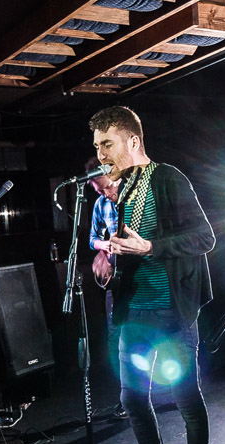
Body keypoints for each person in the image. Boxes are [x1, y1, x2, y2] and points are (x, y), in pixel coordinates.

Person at [89, 105, 215, 444]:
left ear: (133, 142)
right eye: (97, 146)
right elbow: (125, 248)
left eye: (107, 143)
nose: (102, 153)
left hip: (173, 312)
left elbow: (204, 237)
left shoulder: (168, 178)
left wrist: (149, 247)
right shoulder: (120, 191)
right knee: (131, 398)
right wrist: (109, 259)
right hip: (134, 312)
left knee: (186, 400)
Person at [86, 157, 127, 422]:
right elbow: (92, 239)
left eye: (106, 187)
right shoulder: (101, 204)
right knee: (117, 340)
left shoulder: (132, 199)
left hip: (143, 279)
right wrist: (106, 246)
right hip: (117, 280)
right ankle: (125, 399)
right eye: (98, 190)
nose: (104, 194)